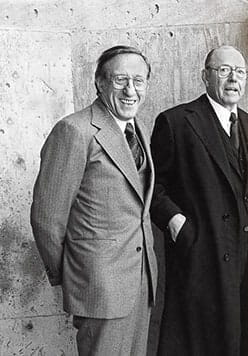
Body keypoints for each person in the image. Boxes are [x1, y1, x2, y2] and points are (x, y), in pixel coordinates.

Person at [30, 45, 157, 355]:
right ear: (100, 83)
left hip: (141, 281)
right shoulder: (73, 130)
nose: (131, 90)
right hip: (99, 287)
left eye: (138, 81)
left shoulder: (137, 128)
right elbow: (47, 219)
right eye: (120, 80)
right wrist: (77, 275)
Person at [150, 45, 248, 355]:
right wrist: (177, 223)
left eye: (240, 72)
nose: (233, 79)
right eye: (223, 71)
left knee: (247, 342)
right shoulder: (176, 122)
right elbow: (152, 186)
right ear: (204, 77)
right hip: (202, 258)